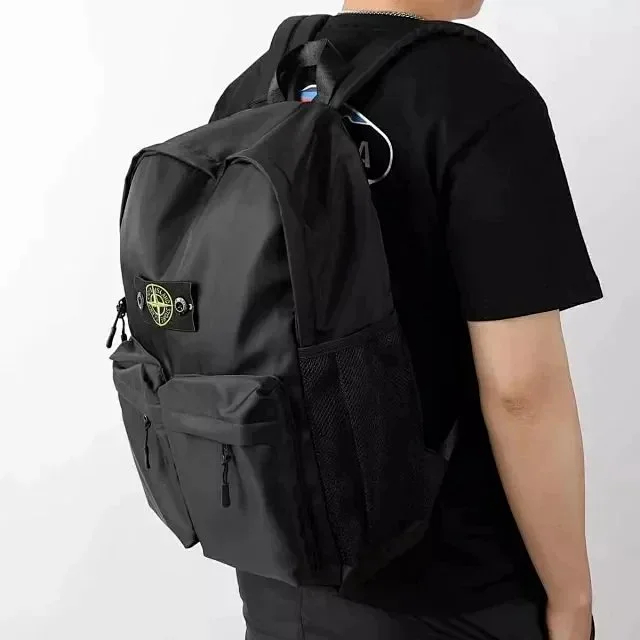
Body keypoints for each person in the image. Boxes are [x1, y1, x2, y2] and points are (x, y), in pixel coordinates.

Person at [212, 2, 602, 639]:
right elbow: (521, 392)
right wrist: (571, 598)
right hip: (457, 591)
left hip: (283, 580)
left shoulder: (251, 92)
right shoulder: (475, 93)